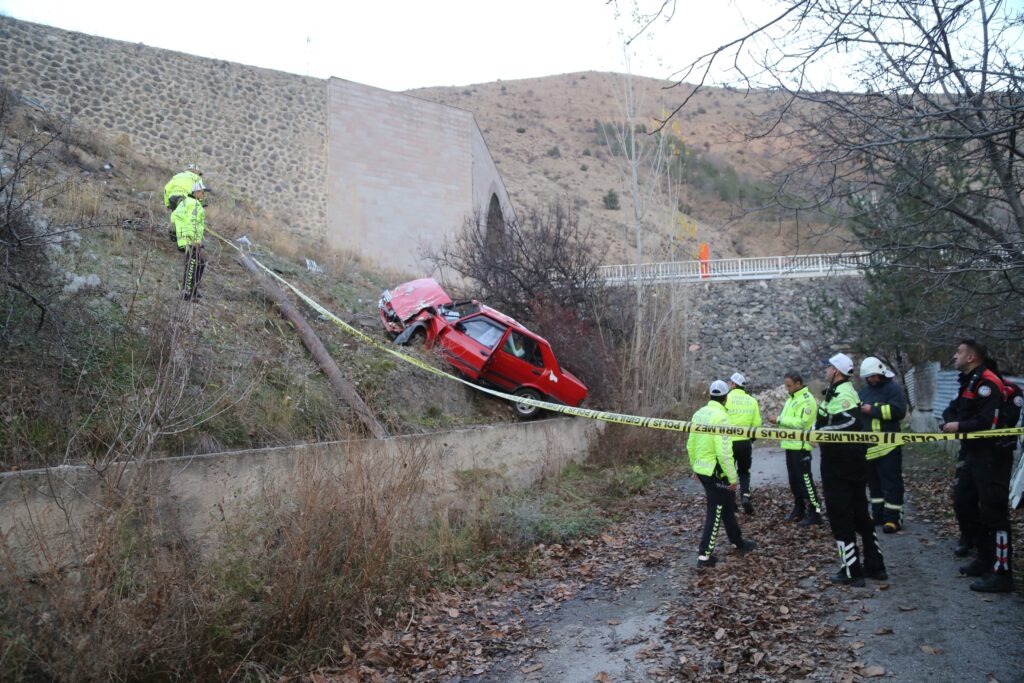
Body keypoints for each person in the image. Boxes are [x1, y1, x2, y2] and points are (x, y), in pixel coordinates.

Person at [941, 340, 1014, 593]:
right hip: (972, 453)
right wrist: (952, 421)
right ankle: (984, 560)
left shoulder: (988, 382)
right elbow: (952, 410)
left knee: (994, 512)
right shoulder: (969, 382)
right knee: (965, 503)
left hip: (992, 456)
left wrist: (958, 426)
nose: (954, 356)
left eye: (958, 352)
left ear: (971, 357)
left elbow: (986, 422)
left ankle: (1003, 573)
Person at [816, 353, 886, 586]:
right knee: (859, 512)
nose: (825, 370)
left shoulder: (844, 392)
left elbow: (849, 423)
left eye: (827, 367)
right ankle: (875, 566)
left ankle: (851, 569)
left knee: (840, 513)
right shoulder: (835, 393)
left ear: (836, 370)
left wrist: (821, 434)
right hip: (845, 459)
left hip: (841, 462)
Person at [687, 380, 757, 568]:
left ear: (710, 395)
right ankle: (704, 555)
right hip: (715, 472)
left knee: (726, 506)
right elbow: (724, 452)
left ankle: (738, 542)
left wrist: (694, 466)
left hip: (702, 469)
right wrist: (733, 478)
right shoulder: (722, 418)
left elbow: (690, 444)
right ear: (726, 398)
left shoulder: (699, 413)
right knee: (716, 510)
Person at [857, 357, 908, 533]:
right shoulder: (864, 391)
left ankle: (894, 519)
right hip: (868, 447)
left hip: (888, 446)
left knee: (891, 483)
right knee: (874, 484)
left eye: (873, 376)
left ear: (880, 372)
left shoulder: (892, 389)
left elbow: (899, 411)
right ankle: (878, 515)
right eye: (868, 377)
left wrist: (872, 409)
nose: (870, 379)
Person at [776, 370, 823, 526]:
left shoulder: (807, 399)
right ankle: (799, 508)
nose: (787, 389)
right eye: (786, 386)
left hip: (801, 447)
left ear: (798, 383)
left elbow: (801, 422)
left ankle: (815, 512)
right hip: (790, 445)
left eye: (789, 386)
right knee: (794, 481)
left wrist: (779, 419)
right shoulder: (791, 399)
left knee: (805, 481)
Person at [725, 372, 762, 514]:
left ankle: (732, 503)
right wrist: (751, 439)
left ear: (733, 384)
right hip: (745, 442)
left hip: (728, 443)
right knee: (744, 472)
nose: (728, 385)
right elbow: (757, 423)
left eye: (729, 383)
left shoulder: (726, 398)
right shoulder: (752, 401)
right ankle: (745, 496)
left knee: (729, 472)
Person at [172, 181, 207, 301]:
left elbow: (174, 217)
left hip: (184, 238)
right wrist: (195, 240)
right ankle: (187, 293)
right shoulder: (195, 205)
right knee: (192, 264)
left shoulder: (186, 202)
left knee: (200, 263)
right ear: (196, 192)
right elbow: (192, 223)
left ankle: (193, 290)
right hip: (190, 241)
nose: (204, 195)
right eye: (202, 192)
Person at [163, 164, 203, 241]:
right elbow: (199, 193)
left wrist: (167, 203)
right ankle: (183, 240)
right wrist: (199, 205)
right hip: (186, 200)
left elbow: (166, 189)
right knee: (186, 220)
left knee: (176, 216)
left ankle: (173, 235)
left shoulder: (178, 176)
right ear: (197, 172)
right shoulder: (197, 179)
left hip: (173, 198)